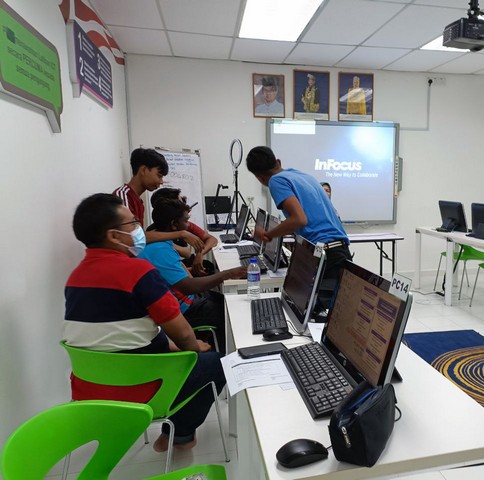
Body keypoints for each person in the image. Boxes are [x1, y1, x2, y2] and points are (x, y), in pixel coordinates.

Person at [63, 193, 225, 452]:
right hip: (136, 385)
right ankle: (180, 436)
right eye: (133, 224)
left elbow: (123, 334)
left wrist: (174, 347)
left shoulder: (75, 277)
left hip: (90, 390)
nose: (140, 229)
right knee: (217, 363)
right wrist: (195, 349)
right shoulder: (138, 272)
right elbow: (184, 335)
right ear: (114, 236)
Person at [246, 146, 352, 310]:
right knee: (332, 313)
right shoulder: (302, 176)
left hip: (325, 255)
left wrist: (268, 234)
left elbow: (299, 219)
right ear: (278, 162)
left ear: (259, 178)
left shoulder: (275, 181)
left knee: (317, 314)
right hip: (338, 251)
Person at [139, 198, 247, 351]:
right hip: (184, 310)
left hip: (187, 300)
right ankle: (225, 354)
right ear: (174, 224)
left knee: (227, 300)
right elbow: (188, 287)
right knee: (230, 312)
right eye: (185, 221)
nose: (188, 225)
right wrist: (228, 273)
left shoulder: (159, 241)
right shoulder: (159, 250)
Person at [113, 148, 205, 253]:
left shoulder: (138, 201)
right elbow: (133, 238)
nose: (161, 181)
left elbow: (140, 235)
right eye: (159, 175)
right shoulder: (123, 197)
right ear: (143, 170)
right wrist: (181, 234)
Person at [150, 187, 218, 276]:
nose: (185, 205)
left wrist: (200, 254)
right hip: (173, 270)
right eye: (181, 202)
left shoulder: (181, 224)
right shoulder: (154, 235)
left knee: (208, 266)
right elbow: (185, 254)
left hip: (178, 266)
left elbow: (212, 239)